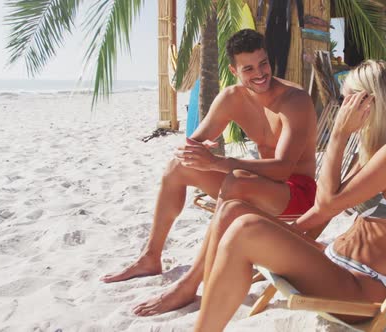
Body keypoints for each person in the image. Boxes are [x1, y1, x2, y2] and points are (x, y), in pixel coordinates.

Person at [192, 60, 386, 332]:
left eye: (348, 100)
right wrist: (285, 234)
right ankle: (208, 307)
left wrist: (339, 134)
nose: (343, 107)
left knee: (245, 229)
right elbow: (325, 211)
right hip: (335, 262)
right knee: (233, 210)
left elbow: (326, 202)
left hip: (361, 287)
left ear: (369, 102)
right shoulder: (377, 147)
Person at [100, 29, 317, 315]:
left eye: (263, 63)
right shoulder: (232, 98)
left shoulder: (294, 101)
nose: (260, 74)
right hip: (258, 186)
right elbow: (196, 141)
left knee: (237, 182)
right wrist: (192, 150)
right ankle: (151, 257)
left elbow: (282, 168)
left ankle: (188, 286)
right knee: (178, 167)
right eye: (248, 68)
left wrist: (217, 163)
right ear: (233, 70)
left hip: (295, 194)